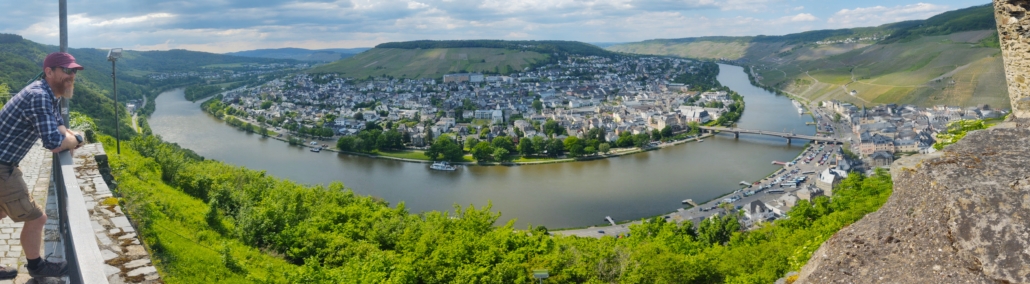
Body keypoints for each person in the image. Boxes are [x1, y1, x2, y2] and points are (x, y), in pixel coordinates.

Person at [0, 52, 85, 279]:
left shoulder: (50, 94)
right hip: (2, 167)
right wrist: (78, 139)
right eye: (67, 70)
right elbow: (55, 143)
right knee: (38, 218)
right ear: (49, 71)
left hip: (5, 163)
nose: (72, 75)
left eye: (74, 71)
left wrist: (70, 136)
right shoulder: (39, 95)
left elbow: (59, 128)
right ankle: (37, 267)